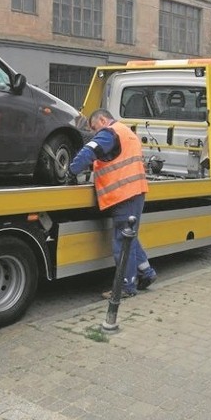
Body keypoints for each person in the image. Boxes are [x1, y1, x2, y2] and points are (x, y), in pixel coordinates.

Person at [69, 108, 157, 298]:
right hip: (135, 191)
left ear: (102, 120)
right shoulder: (126, 132)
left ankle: (126, 287)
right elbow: (115, 159)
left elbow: (90, 150)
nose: (94, 132)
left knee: (121, 243)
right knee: (129, 237)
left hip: (123, 195)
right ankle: (146, 273)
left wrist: (73, 169)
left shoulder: (108, 133)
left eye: (94, 127)